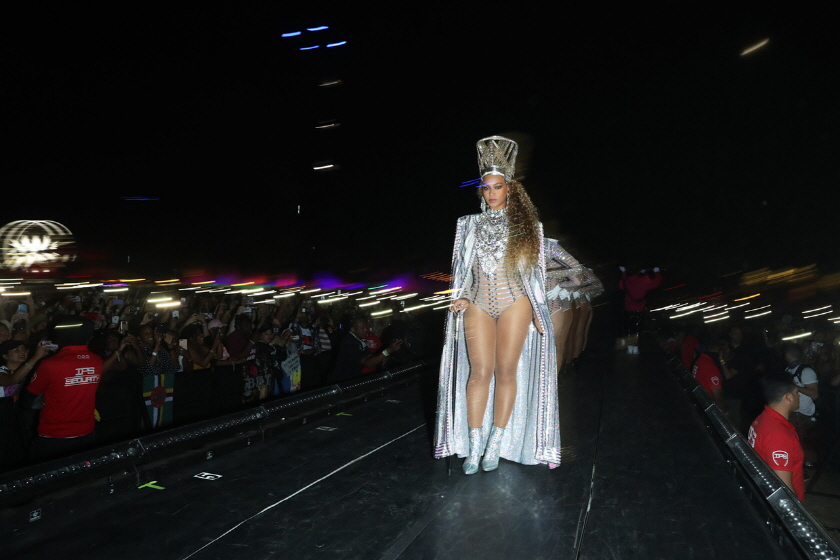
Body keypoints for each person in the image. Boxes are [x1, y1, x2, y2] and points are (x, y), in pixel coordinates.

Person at [434, 135, 559, 474]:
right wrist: (460, 293)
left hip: (515, 302)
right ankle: (474, 446)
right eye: (486, 188)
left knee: (506, 371)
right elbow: (461, 268)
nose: (491, 193)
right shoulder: (467, 224)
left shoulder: (529, 226)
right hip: (477, 302)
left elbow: (536, 274)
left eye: (497, 187)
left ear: (510, 189)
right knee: (479, 372)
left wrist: (538, 311)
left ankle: (495, 443)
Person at [26, 317, 101, 461]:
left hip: (54, 434)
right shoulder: (97, 361)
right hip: (86, 431)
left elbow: (28, 398)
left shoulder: (50, 364)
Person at [748, 372, 805, 500]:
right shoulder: (778, 434)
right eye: (797, 392)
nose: (799, 396)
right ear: (788, 397)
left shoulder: (763, 418)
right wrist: (794, 510)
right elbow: (784, 489)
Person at [544, 237, 583, 371]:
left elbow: (578, 281)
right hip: (535, 306)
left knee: (558, 344)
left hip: (556, 305)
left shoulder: (557, 259)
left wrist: (562, 287)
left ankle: (567, 366)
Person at [332, 317, 402, 382]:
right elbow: (368, 363)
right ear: (353, 329)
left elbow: (368, 356)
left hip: (351, 379)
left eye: (365, 327)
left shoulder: (359, 340)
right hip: (343, 381)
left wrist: (381, 357)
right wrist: (388, 351)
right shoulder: (350, 343)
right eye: (362, 328)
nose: (365, 330)